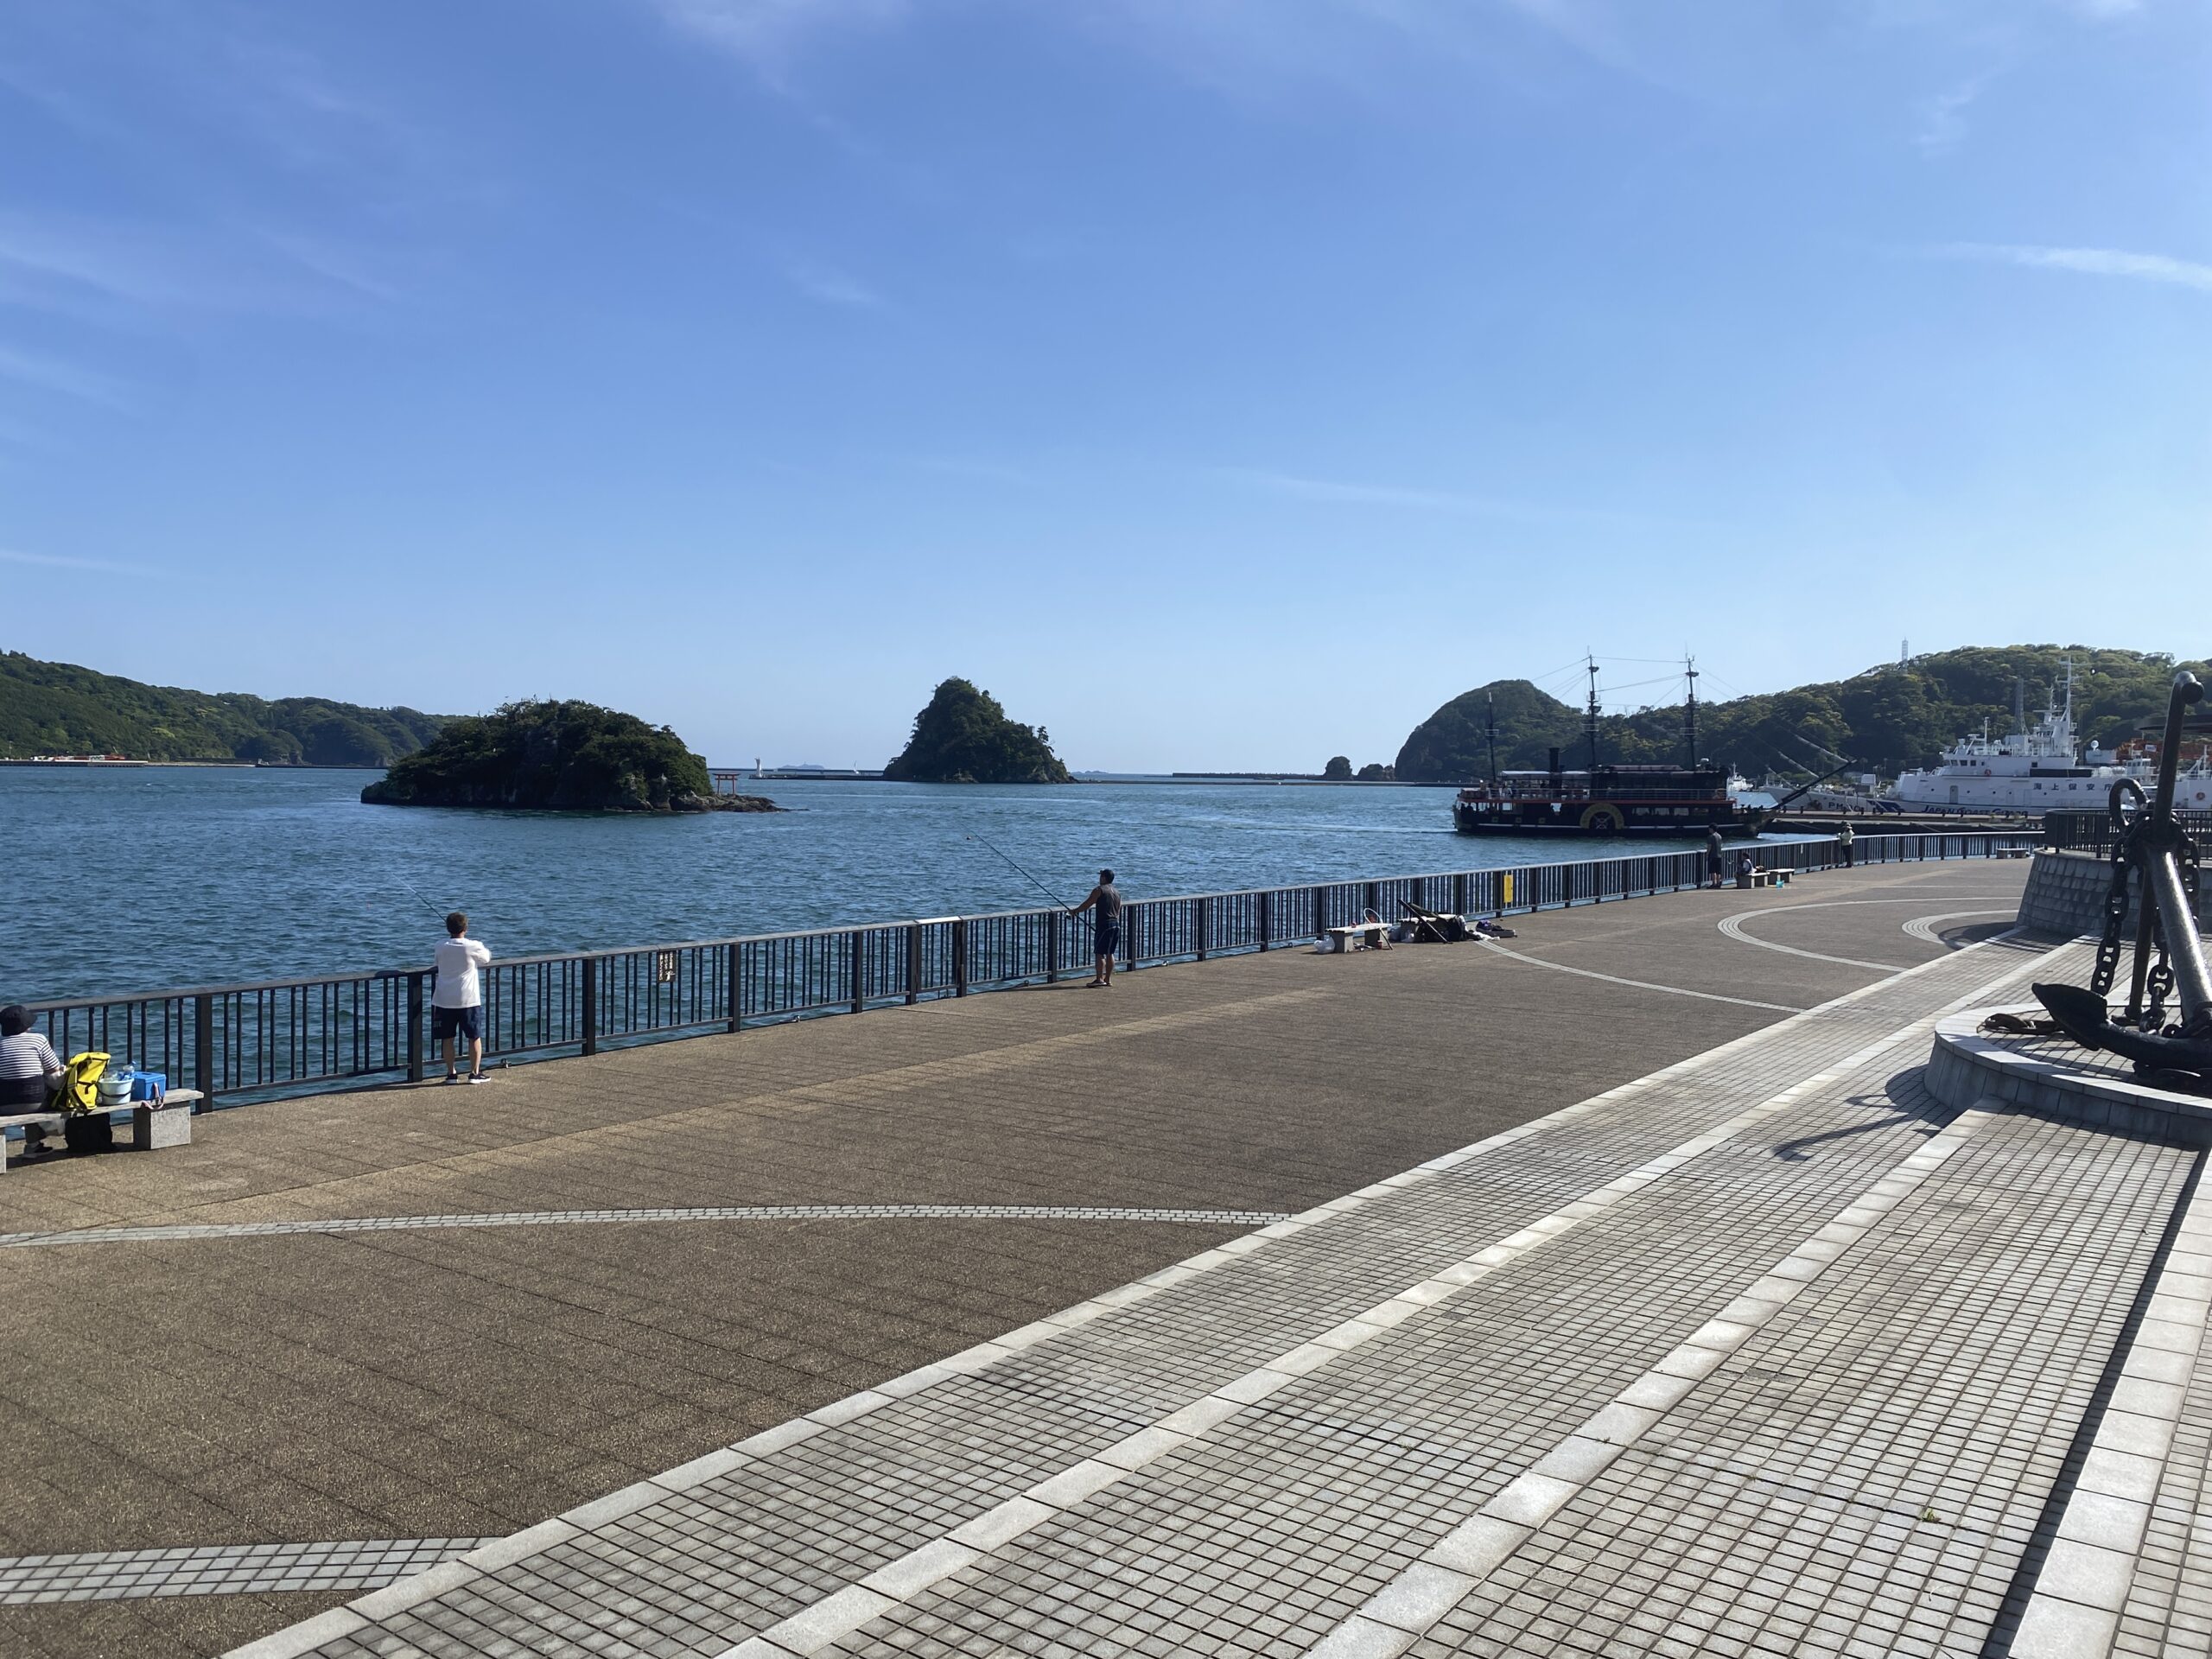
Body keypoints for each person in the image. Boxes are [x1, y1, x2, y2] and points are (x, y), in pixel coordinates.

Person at [432, 912, 493, 1083]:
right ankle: (474, 1073)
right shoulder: (473, 945)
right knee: (474, 1036)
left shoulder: (440, 945)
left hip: (444, 999)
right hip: (468, 999)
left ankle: (451, 1073)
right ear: (466, 928)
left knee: (447, 1038)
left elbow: (436, 962)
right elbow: (486, 959)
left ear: (448, 928)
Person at [0, 1005, 64, 1109]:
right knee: (55, 1076)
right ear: (26, 1025)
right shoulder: (39, 1039)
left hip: (4, 1105)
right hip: (37, 1103)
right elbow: (54, 1069)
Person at [1071, 869, 1123, 988]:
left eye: (1101, 877)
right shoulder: (1117, 892)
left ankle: (1099, 979)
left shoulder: (1099, 890)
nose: (1099, 879)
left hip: (1104, 925)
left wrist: (1075, 911)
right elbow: (1119, 908)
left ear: (1104, 878)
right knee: (1110, 953)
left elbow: (1088, 904)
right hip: (1116, 924)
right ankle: (1108, 980)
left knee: (1099, 953)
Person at [1706, 826, 1726, 890]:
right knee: (1718, 871)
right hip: (1719, 855)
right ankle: (1718, 883)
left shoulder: (1711, 837)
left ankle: (1714, 883)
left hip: (1713, 855)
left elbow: (1709, 847)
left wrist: (1707, 855)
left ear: (1712, 829)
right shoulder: (1719, 836)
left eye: (1709, 829)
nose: (1709, 830)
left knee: (1713, 870)